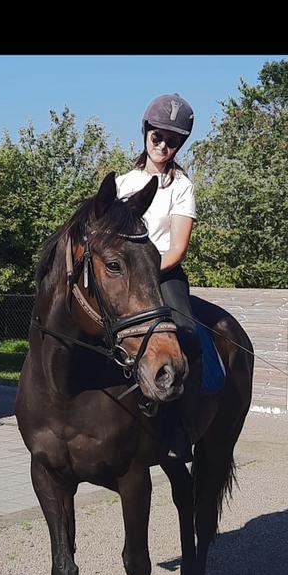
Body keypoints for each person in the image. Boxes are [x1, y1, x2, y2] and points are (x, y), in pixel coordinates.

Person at [116, 93, 202, 460]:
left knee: (188, 335)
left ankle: (179, 427)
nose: (164, 146)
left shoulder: (182, 187)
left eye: (173, 141)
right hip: (122, 275)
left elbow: (178, 247)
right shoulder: (122, 184)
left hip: (164, 274)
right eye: (158, 137)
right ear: (145, 132)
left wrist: (146, 271)